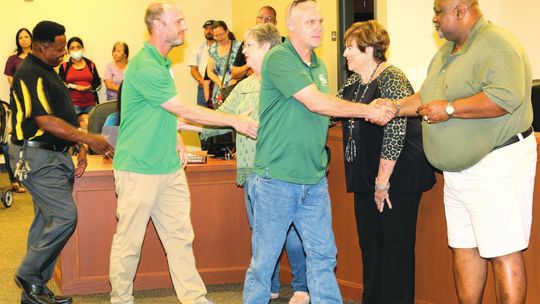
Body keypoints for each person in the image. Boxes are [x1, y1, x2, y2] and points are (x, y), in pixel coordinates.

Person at [376, 0, 536, 303]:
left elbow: (506, 97)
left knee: (504, 250)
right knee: (464, 247)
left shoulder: (497, 44)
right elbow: (428, 96)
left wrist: (450, 109)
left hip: (497, 164)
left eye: (439, 12)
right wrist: (395, 108)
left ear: (460, 11)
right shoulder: (446, 52)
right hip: (458, 172)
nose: (434, 19)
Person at [242, 1, 395, 303]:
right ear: (292, 26)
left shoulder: (320, 66)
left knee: (323, 257)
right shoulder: (278, 59)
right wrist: (368, 110)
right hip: (276, 180)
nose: (320, 27)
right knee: (263, 263)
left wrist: (372, 108)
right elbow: (315, 102)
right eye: (310, 21)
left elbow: (324, 109)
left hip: (313, 181)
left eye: (321, 21)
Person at [108, 2, 258, 304]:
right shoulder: (146, 64)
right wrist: (234, 119)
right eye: (178, 21)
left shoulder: (162, 64)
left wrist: (175, 135)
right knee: (129, 242)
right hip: (138, 168)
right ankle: (120, 299)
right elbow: (184, 109)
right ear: (158, 25)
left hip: (169, 169)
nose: (185, 26)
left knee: (180, 239)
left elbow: (163, 113)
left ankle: (194, 298)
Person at [200, 23, 309, 303]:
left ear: (266, 47)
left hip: (282, 170)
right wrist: (181, 122)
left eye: (247, 45)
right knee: (261, 234)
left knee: (293, 233)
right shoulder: (245, 86)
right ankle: (270, 285)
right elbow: (220, 119)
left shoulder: (291, 79)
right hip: (251, 172)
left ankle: (301, 287)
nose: (242, 51)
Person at [9, 20, 114, 304]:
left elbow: (63, 116)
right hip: (35, 155)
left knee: (46, 220)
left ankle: (34, 292)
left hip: (53, 154)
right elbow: (44, 120)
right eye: (60, 48)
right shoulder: (30, 73)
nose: (65, 53)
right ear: (43, 46)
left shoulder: (48, 71)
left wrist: (78, 143)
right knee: (65, 216)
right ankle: (28, 273)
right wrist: (89, 138)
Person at [338, 20, 435, 303]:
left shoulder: (392, 77)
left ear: (369, 50)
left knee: (395, 250)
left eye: (350, 48)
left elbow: (395, 132)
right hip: (366, 177)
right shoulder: (353, 82)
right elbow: (333, 109)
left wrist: (383, 182)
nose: (345, 54)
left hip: (397, 178)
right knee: (370, 247)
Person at [3, 27, 32, 194]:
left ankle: (29, 178)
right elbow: (10, 79)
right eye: (20, 37)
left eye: (26, 36)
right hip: (17, 102)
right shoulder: (12, 59)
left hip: (35, 104)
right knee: (13, 141)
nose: (23, 40)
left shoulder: (36, 58)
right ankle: (14, 180)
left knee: (31, 141)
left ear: (31, 39)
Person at [230, 6, 278, 81]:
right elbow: (234, 73)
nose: (263, 22)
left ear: (275, 23)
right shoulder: (246, 42)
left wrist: (258, 68)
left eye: (268, 19)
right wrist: (250, 65)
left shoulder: (281, 43)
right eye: (260, 17)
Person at [58, 36, 102, 115]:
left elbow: (98, 83)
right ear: (68, 51)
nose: (76, 50)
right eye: (72, 48)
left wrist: (90, 88)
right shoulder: (64, 66)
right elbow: (60, 84)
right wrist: (75, 87)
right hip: (72, 105)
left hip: (90, 104)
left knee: (91, 126)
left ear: (83, 49)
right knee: (74, 127)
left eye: (78, 47)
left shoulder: (90, 64)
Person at [206, 20, 241, 108]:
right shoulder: (213, 49)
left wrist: (235, 80)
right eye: (216, 36)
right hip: (220, 91)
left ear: (227, 31)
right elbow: (209, 72)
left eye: (221, 34)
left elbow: (246, 68)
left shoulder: (238, 46)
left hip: (236, 88)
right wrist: (220, 84)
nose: (219, 38)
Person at [189, 20, 215, 107]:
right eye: (206, 29)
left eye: (211, 28)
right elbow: (193, 69)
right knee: (202, 114)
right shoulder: (199, 48)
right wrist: (203, 82)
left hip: (218, 86)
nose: (209, 31)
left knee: (219, 114)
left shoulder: (222, 46)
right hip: (202, 87)